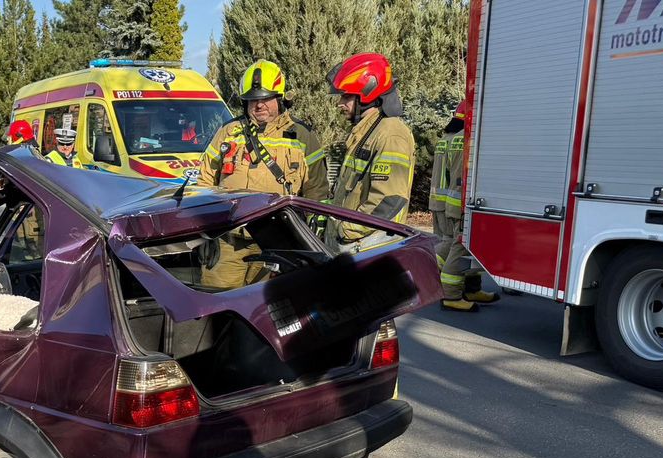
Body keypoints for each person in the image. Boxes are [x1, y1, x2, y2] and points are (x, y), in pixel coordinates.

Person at [196, 60, 330, 288]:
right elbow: (204, 179)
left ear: (280, 99)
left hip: (277, 244)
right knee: (218, 308)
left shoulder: (302, 136)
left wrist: (311, 239)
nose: (258, 105)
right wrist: (204, 231)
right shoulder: (227, 132)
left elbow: (317, 190)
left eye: (265, 99)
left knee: (270, 310)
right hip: (228, 241)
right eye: (252, 100)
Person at [323, 52, 416, 256]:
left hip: (368, 248)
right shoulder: (367, 132)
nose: (340, 103)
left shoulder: (391, 134)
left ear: (368, 91)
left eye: (346, 96)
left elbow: (389, 199)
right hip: (355, 245)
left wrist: (346, 230)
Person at [432, 101, 500, 311]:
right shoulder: (467, 139)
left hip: (445, 199)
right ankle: (450, 294)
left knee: (466, 247)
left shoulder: (449, 139)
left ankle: (471, 288)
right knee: (459, 247)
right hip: (460, 203)